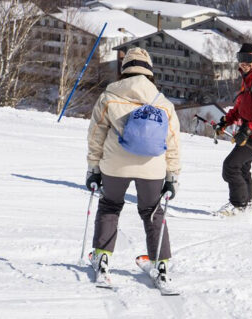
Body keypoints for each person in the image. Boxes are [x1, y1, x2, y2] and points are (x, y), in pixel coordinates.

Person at [85, 47, 181, 290]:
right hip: (152, 168)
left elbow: (96, 135)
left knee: (109, 206)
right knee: (152, 211)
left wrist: (93, 168)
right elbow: (172, 141)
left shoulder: (109, 96)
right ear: (149, 71)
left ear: (124, 70)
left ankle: (102, 258)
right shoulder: (162, 101)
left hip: (114, 165)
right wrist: (172, 176)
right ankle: (161, 266)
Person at [213, 43, 252, 217]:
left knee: (231, 165)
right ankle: (247, 205)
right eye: (241, 59)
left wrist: (248, 129)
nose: (244, 63)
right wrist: (225, 122)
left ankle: (239, 206)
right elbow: (241, 106)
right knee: (242, 166)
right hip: (251, 129)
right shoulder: (249, 79)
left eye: (249, 59)